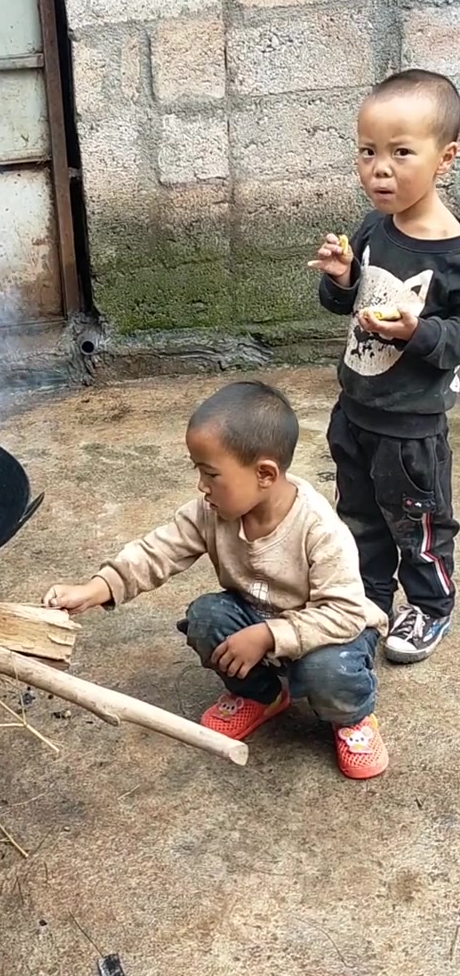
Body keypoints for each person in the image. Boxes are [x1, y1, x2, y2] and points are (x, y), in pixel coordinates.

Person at [43, 382, 389, 780]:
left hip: (329, 632)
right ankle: (263, 695)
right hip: (255, 618)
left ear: (264, 474)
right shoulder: (212, 511)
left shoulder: (319, 529)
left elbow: (343, 614)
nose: (201, 486)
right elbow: (159, 550)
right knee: (206, 618)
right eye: (199, 471)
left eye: (211, 474)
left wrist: (267, 636)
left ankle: (352, 719)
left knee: (328, 671)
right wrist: (96, 588)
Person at [310, 68, 460, 664]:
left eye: (401, 153)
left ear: (445, 157)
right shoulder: (372, 226)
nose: (380, 168)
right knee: (358, 515)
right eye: (368, 151)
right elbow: (345, 302)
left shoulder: (454, 253)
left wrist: (419, 333)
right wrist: (341, 277)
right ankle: (367, 601)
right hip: (356, 409)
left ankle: (429, 606)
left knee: (417, 524)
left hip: (411, 428)